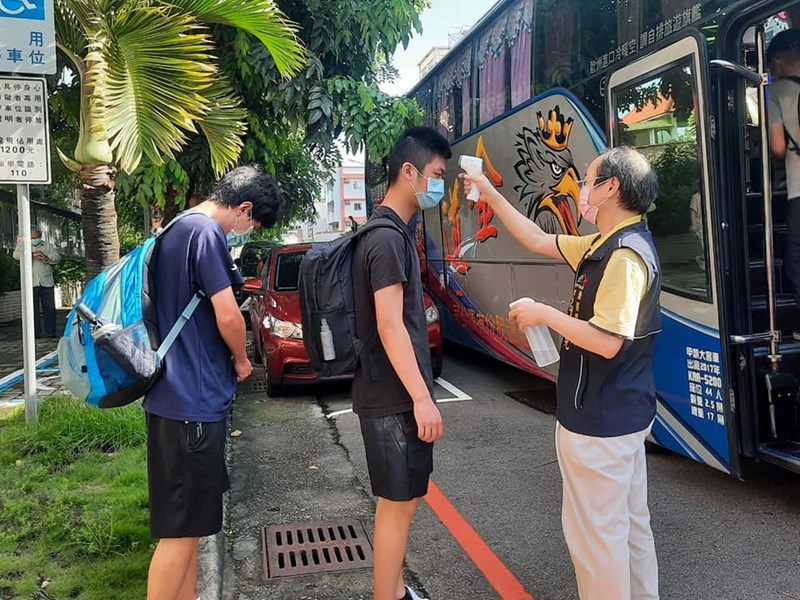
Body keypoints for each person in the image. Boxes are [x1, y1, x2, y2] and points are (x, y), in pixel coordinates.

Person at [463, 146, 661, 600]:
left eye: (589, 181)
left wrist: (544, 313)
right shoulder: (606, 244)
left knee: (597, 540)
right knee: (628, 527)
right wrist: (491, 194)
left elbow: (608, 340)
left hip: (600, 420)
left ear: (612, 187)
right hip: (616, 413)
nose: (581, 190)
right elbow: (536, 238)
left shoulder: (623, 257)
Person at [143, 165, 283, 600]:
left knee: (187, 528)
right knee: (181, 534)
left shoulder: (175, 229)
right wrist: (242, 361)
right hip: (193, 405)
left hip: (171, 398)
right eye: (253, 223)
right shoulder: (205, 234)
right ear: (243, 208)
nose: (247, 230)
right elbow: (227, 314)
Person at [351, 127, 450, 600]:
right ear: (408, 173)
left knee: (401, 503)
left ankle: (392, 590)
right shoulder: (387, 239)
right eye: (436, 175)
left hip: (388, 396)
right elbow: (391, 326)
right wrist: (421, 400)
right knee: (397, 506)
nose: (439, 186)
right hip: (393, 400)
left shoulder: (388, 233)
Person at [767, 29, 800, 340]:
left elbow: (777, 147)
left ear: (777, 61)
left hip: (798, 192)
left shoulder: (777, 93)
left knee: (796, 263)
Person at [13, 225, 60, 337]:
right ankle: (35, 333)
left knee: (49, 309)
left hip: (46, 281)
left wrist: (45, 258)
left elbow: (57, 258)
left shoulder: (48, 245)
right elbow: (15, 255)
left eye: (37, 237)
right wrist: (29, 254)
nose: (35, 239)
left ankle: (50, 332)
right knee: (32, 309)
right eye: (33, 237)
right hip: (30, 281)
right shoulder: (23, 245)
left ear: (41, 236)